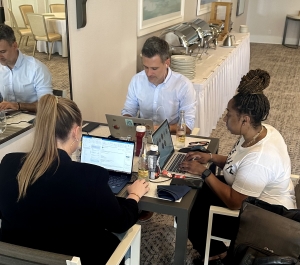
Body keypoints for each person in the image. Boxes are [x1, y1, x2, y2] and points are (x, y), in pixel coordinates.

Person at [0, 94, 149, 265]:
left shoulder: (8, 163)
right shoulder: (90, 176)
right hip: (80, 258)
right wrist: (134, 196)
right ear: (76, 131)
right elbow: (120, 223)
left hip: (17, 259)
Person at [180, 69, 296, 265]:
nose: (225, 118)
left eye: (229, 114)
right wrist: (210, 157)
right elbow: (238, 163)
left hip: (262, 220)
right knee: (191, 188)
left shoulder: (260, 158)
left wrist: (205, 172)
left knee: (188, 207)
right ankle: (212, 248)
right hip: (248, 197)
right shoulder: (260, 132)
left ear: (245, 119)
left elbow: (235, 202)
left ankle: (217, 255)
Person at [121, 36, 197, 134]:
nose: (148, 73)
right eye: (146, 67)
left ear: (167, 63)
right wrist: (126, 120)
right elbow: (129, 110)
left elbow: (188, 126)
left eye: (154, 68)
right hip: (143, 134)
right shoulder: (137, 80)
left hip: (171, 136)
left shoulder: (183, 85)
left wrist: (158, 129)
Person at [0, 24, 52, 112]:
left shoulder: (37, 68)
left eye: (3, 51)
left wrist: (17, 106)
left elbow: (47, 106)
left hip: (34, 118)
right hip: (7, 118)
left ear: (15, 46)